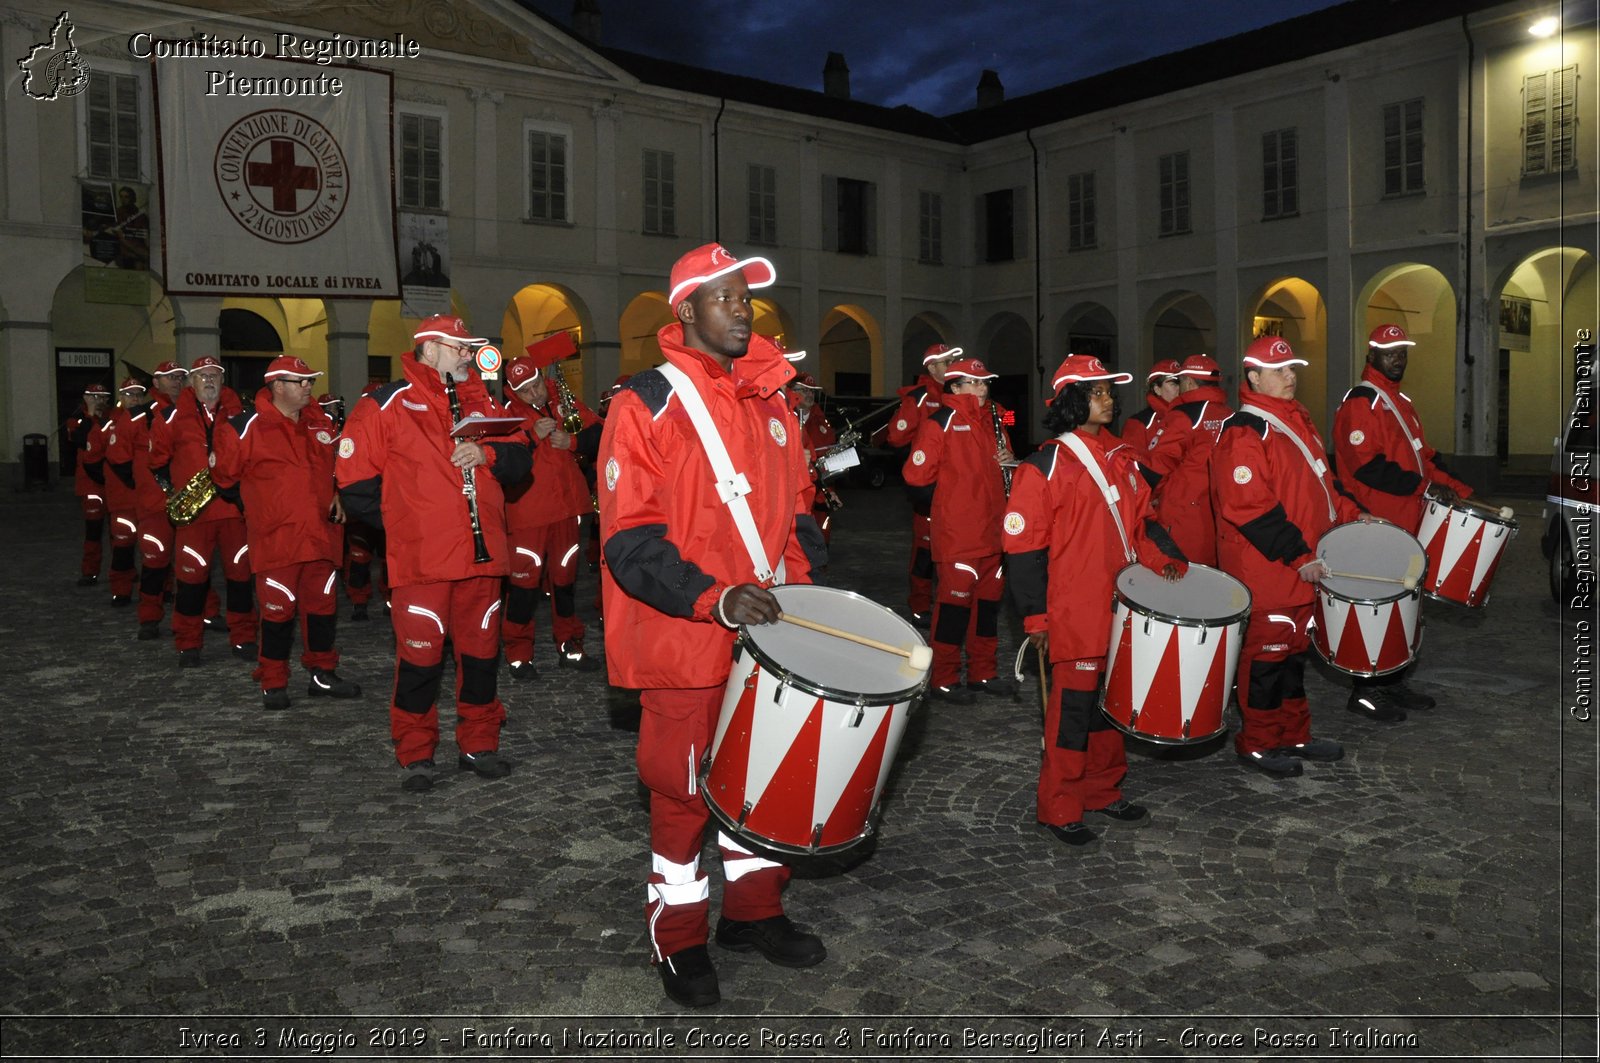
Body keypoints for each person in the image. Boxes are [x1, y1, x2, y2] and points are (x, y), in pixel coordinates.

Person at [599, 242, 828, 1009]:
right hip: (687, 637)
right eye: (726, 297)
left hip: (767, 638)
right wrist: (715, 598)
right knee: (685, 793)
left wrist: (807, 593)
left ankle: (756, 911)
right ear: (687, 309)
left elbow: (797, 514)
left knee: (762, 781)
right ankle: (680, 933)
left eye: (749, 299)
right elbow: (629, 541)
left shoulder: (773, 403)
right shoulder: (645, 404)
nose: (743, 310)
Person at [337, 315, 531, 793]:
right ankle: (416, 751)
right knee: (420, 662)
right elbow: (354, 481)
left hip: (483, 560)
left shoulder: (487, 403)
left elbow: (523, 460)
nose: (468, 354)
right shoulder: (386, 403)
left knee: (482, 657)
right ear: (428, 349)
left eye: (470, 347)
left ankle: (479, 743)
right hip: (423, 561)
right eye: (459, 347)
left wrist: (487, 456)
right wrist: (408, 528)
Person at [1005, 354, 1186, 847]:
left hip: (1122, 610)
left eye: (1108, 391)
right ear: (1071, 400)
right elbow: (1023, 552)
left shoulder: (1122, 457)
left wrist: (1167, 561)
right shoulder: (1043, 467)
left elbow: (1141, 524)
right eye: (1097, 392)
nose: (1108, 399)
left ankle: (1103, 791)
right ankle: (1058, 806)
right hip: (1075, 614)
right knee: (1071, 718)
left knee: (1112, 710)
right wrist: (1036, 618)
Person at [1212, 336, 1360, 778]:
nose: (1290, 376)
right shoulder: (1245, 430)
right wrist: (1298, 556)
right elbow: (1249, 506)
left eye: (1292, 368)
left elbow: (1325, 489)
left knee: (1294, 657)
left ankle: (1294, 734)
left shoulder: (1298, 422)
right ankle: (1256, 742)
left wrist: (1358, 516)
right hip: (1269, 570)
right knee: (1266, 660)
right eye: (1278, 370)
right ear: (1253, 377)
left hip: (1305, 568)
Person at [1332, 324, 1477, 719]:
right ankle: (1364, 689)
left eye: (1402, 350)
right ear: (1371, 354)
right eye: (1389, 350)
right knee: (1374, 608)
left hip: (1408, 524)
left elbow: (1424, 457)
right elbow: (1369, 468)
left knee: (1404, 606)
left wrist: (1458, 488)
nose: (1398, 357)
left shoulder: (1400, 402)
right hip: (1376, 526)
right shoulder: (1362, 403)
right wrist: (1425, 488)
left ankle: (1391, 681)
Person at [212, 357, 361, 711]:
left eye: (310, 381)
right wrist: (262, 508)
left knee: (323, 609)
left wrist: (338, 492)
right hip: (277, 539)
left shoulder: (321, 423)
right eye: (301, 381)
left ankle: (322, 672)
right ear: (278, 386)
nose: (308, 386)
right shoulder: (242, 428)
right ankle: (274, 679)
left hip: (321, 537)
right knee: (277, 613)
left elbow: (338, 468)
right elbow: (224, 480)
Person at [901, 356, 1014, 703]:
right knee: (952, 611)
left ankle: (983, 672)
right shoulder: (941, 422)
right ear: (955, 386)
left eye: (984, 382)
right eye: (974, 382)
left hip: (993, 536)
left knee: (987, 612)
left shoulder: (995, 419)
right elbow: (915, 476)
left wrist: (1007, 458)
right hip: (960, 538)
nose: (981, 388)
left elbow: (1008, 462)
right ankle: (944, 678)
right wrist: (952, 503)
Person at [500, 355, 602, 679]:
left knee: (565, 581)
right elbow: (499, 460)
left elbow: (600, 433)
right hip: (527, 514)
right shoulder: (508, 415)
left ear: (543, 378)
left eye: (536, 385)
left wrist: (571, 441)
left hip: (567, 509)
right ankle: (518, 653)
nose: (535, 395)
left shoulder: (564, 400)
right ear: (514, 392)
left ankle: (570, 644)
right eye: (526, 391)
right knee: (524, 587)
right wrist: (532, 438)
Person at [155, 356, 256, 666]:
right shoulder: (170, 416)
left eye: (214, 375)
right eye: (202, 376)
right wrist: (175, 494)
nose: (209, 381)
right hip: (194, 516)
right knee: (191, 581)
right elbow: (157, 462)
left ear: (222, 381)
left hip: (233, 513)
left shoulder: (241, 414)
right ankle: (188, 643)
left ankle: (244, 638)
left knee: (240, 579)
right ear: (191, 382)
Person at [886, 343, 962, 627]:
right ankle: (919, 604)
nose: (952, 365)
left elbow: (1002, 418)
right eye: (946, 362)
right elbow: (895, 437)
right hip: (930, 488)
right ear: (932, 368)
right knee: (925, 551)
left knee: (955, 548)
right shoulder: (919, 398)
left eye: (954, 360)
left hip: (958, 488)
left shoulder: (959, 393)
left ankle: (952, 599)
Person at [1145, 353, 1234, 565]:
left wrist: (1147, 500)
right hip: (1219, 515)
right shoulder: (1230, 414)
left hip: (1184, 516)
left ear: (1189, 381)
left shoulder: (1183, 416)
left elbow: (1159, 465)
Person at [788, 372, 842, 546]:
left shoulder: (821, 420)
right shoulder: (787, 416)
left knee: (820, 538)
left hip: (820, 489)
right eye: (804, 390)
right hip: (796, 492)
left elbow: (829, 452)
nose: (809, 394)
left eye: (812, 391)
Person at [68, 384, 111, 587]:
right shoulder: (77, 419)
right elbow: (78, 439)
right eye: (94, 396)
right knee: (93, 530)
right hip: (90, 484)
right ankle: (90, 571)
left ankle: (121, 570)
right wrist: (91, 414)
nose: (99, 400)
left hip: (114, 482)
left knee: (121, 531)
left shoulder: (113, 417)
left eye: (102, 396)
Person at [1119, 358, 1180, 457]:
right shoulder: (1138, 424)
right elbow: (1132, 464)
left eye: (1181, 383)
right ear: (1157, 389)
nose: (1179, 388)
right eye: (1173, 384)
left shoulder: (1187, 417)